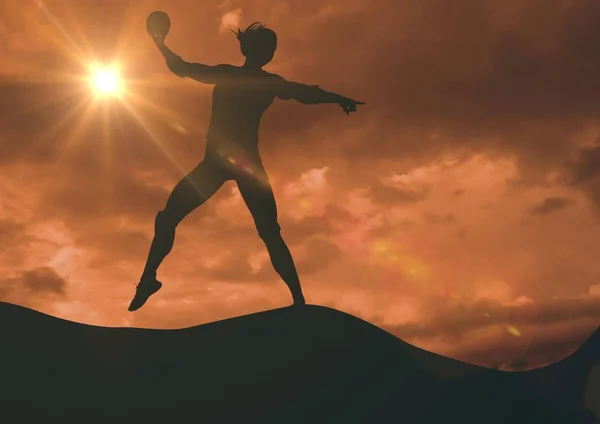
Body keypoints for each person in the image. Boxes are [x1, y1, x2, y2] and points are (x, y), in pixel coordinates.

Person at [128, 22, 364, 312]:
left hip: (229, 163)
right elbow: (184, 68)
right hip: (232, 164)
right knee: (178, 219)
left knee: (263, 231)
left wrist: (160, 43)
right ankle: (149, 281)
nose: (270, 53)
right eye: (267, 48)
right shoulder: (249, 79)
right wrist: (159, 43)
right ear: (251, 49)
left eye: (272, 49)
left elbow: (304, 92)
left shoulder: (242, 78)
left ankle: (299, 301)